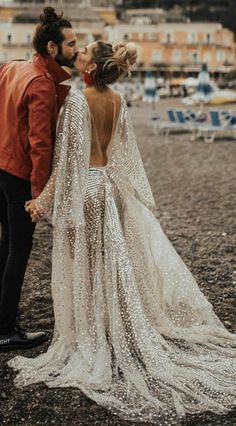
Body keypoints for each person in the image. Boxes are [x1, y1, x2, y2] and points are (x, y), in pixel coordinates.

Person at [8, 41, 236, 425]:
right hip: (110, 188)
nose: (78, 51)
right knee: (113, 264)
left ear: (92, 67)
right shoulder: (116, 99)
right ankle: (115, 330)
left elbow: (67, 163)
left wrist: (41, 202)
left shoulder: (79, 101)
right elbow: (123, 154)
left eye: (84, 50)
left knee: (91, 266)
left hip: (88, 191)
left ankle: (97, 334)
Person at [0, 7, 78, 351]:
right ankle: (5, 329)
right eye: (72, 44)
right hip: (18, 175)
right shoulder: (42, 84)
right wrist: (40, 197)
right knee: (19, 249)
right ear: (52, 47)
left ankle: (1, 317)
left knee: (5, 245)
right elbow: (40, 146)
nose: (77, 49)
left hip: (1, 167)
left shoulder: (13, 67)